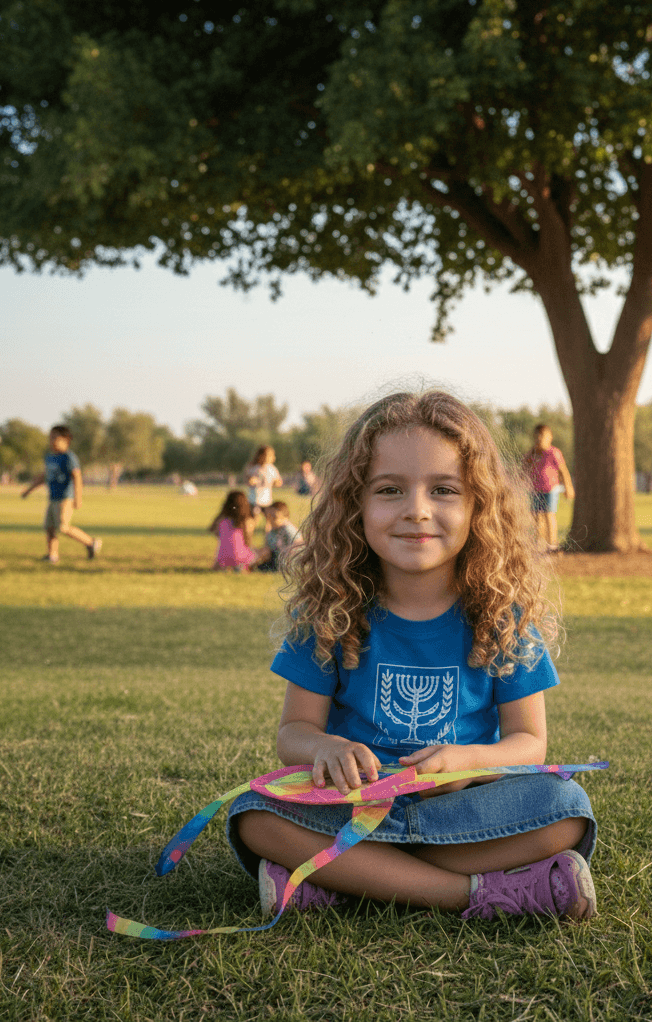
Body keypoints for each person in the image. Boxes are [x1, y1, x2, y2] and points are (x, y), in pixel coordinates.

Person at [228, 390, 596, 922]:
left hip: (465, 812)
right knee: (254, 816)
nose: (417, 511)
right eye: (390, 490)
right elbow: (293, 734)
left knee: (567, 813)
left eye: (444, 490)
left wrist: (472, 761)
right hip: (355, 807)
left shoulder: (502, 616)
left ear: (479, 506)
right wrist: (327, 747)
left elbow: (529, 743)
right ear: (355, 503)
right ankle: (478, 895)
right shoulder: (331, 612)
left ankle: (348, 882)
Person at [21, 425, 101, 563]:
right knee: (49, 528)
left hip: (65, 498)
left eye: (55, 437)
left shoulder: (69, 457)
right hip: (53, 498)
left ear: (66, 440)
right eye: (50, 437)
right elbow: (44, 477)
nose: (52, 440)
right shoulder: (50, 457)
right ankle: (52, 555)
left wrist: (78, 498)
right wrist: (29, 490)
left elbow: (77, 477)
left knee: (63, 527)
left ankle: (90, 542)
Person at [523, 424, 575, 554]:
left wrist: (568, 486)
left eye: (543, 436)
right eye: (537, 436)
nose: (539, 438)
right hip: (534, 490)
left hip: (550, 489)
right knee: (536, 517)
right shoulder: (532, 453)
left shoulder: (554, 453)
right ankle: (538, 543)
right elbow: (524, 467)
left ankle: (552, 545)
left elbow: (563, 471)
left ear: (550, 437)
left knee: (549, 515)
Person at [210, 490, 257, 572]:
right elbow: (248, 540)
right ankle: (241, 566)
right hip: (241, 556)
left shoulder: (221, 519)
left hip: (223, 556)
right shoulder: (248, 520)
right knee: (261, 551)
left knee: (222, 548)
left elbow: (218, 536)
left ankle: (225, 566)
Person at [254, 500, 302, 572]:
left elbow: (299, 543)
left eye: (275, 517)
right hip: (276, 558)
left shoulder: (288, 528)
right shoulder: (272, 531)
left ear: (285, 518)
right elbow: (267, 547)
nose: (271, 520)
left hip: (288, 561)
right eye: (269, 517)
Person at [245, 446, 282, 519]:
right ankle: (252, 529)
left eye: (271, 455)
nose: (270, 457)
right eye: (268, 455)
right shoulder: (254, 467)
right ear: (260, 456)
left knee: (268, 518)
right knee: (254, 517)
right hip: (254, 499)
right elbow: (247, 479)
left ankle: (268, 530)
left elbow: (279, 481)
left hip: (267, 500)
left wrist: (275, 483)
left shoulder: (271, 468)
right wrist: (251, 481)